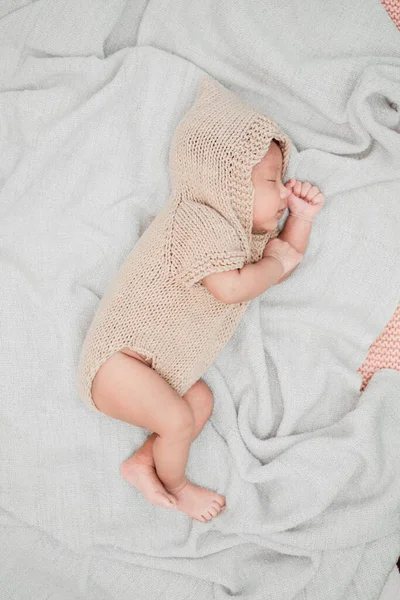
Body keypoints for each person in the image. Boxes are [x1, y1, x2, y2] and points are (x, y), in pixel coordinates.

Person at [76, 76, 324, 523]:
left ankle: (143, 462)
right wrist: (274, 264)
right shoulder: (198, 219)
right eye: (272, 179)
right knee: (176, 420)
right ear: (224, 182)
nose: (285, 191)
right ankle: (179, 485)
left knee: (199, 403)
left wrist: (301, 220)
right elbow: (236, 287)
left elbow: (281, 262)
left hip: (152, 369)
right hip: (117, 362)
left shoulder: (240, 243)